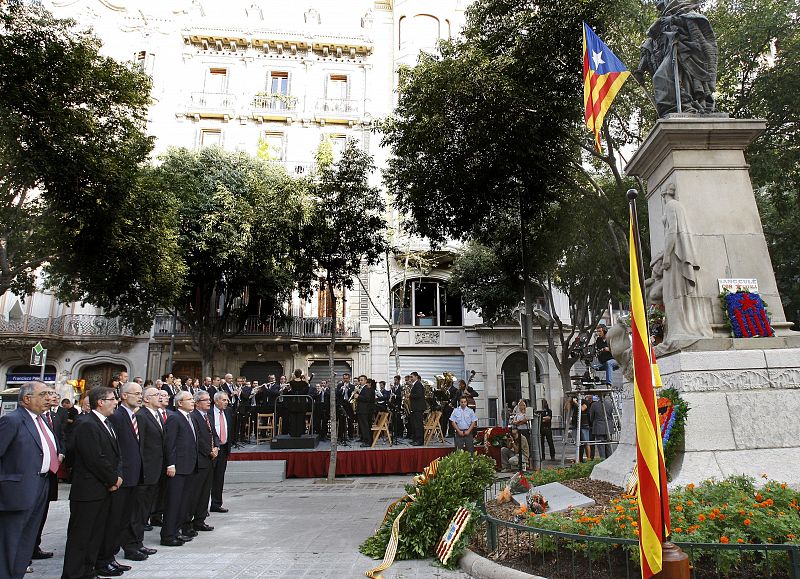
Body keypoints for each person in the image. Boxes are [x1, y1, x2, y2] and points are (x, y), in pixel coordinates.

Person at [61, 387, 123, 579]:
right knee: (81, 536)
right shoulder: (86, 423)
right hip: (88, 490)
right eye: (112, 399)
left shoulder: (107, 423)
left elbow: (115, 454)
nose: (116, 402)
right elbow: (93, 457)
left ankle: (88, 571)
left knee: (95, 535)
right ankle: (74, 574)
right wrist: (113, 479)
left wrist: (117, 476)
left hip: (103, 489)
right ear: (100, 402)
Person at [0, 382, 59, 579]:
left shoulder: (41, 420)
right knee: (11, 540)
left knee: (27, 538)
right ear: (27, 399)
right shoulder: (13, 420)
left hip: (40, 484)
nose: (48, 398)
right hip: (17, 489)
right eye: (43, 394)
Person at [100, 382, 145, 570]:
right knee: (115, 520)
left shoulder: (134, 415)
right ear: (124, 396)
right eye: (136, 393)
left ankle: (120, 551)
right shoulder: (118, 417)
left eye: (141, 393)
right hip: (122, 477)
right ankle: (106, 558)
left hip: (134, 475)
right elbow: (114, 449)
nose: (140, 396)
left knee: (126, 517)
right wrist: (116, 475)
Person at [161, 391, 198, 547]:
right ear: (180, 403)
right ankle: (168, 535)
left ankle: (177, 531)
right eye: (189, 399)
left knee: (183, 502)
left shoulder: (190, 417)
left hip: (189, 466)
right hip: (177, 468)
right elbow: (170, 443)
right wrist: (170, 464)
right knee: (174, 502)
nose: (193, 401)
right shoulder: (175, 418)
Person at [184, 391, 219, 536]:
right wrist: (208, 451)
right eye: (205, 400)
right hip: (200, 459)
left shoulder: (208, 416)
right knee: (195, 493)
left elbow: (214, 435)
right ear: (197, 403)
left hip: (211, 460)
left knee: (205, 493)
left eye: (209, 400)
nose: (209, 402)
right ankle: (187, 523)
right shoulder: (193, 417)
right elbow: (197, 437)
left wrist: (216, 447)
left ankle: (200, 520)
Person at [210, 391, 232, 513]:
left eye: (227, 400)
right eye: (224, 400)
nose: (226, 402)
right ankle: (201, 506)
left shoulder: (228, 411)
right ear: (216, 401)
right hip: (211, 449)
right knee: (208, 479)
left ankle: (216, 504)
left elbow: (229, 428)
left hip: (223, 448)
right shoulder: (208, 412)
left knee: (219, 477)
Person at [589, 394, 615, 459]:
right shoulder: (609, 404)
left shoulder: (594, 405)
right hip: (608, 426)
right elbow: (611, 414)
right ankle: (609, 460)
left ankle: (602, 461)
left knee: (601, 447)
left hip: (598, 427)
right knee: (608, 446)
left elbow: (591, 417)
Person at [286, 369, 309, 438]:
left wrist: (293, 392)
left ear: (295, 374)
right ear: (300, 374)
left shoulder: (290, 383)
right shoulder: (305, 384)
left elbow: (288, 392)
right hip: (301, 404)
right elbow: (306, 392)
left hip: (292, 403)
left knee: (292, 419)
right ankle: (300, 433)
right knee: (300, 419)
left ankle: (292, 433)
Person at [356, 376, 376, 447]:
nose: (360, 381)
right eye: (359, 380)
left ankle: (368, 441)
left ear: (365, 381)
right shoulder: (363, 388)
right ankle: (364, 438)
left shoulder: (367, 388)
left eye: (362, 380)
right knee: (363, 426)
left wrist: (358, 396)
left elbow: (367, 399)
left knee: (365, 426)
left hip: (364, 410)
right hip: (362, 410)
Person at [409, 372, 426, 446]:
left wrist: (410, 395)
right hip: (415, 408)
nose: (411, 378)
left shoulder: (418, 384)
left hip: (418, 408)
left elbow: (419, 395)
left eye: (412, 377)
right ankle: (415, 439)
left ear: (416, 377)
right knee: (415, 424)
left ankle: (420, 440)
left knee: (418, 425)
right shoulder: (415, 384)